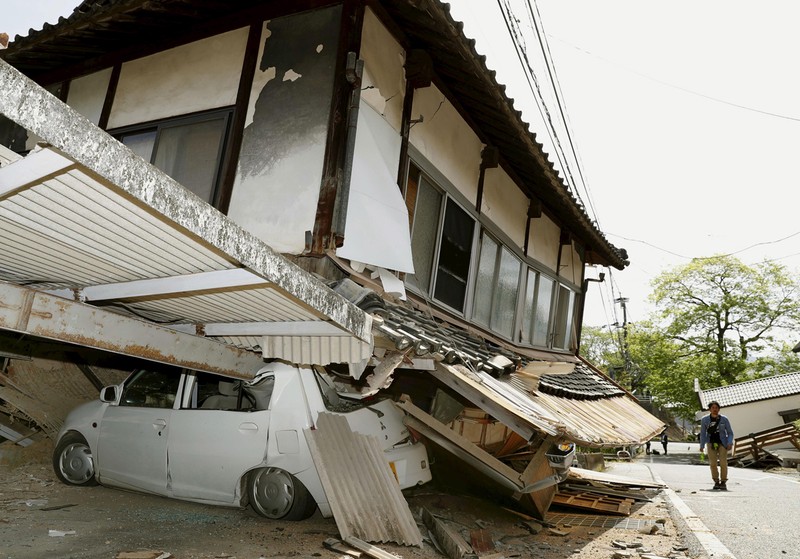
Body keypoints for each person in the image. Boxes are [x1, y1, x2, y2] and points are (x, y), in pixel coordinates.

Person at [699, 401, 734, 490]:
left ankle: (723, 481)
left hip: (722, 442)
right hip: (710, 442)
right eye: (713, 408)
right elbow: (703, 433)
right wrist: (702, 445)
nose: (715, 410)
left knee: (723, 463)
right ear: (710, 409)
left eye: (716, 408)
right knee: (713, 463)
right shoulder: (705, 420)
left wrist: (730, 442)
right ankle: (716, 481)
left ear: (719, 409)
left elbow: (730, 432)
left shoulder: (724, 419)